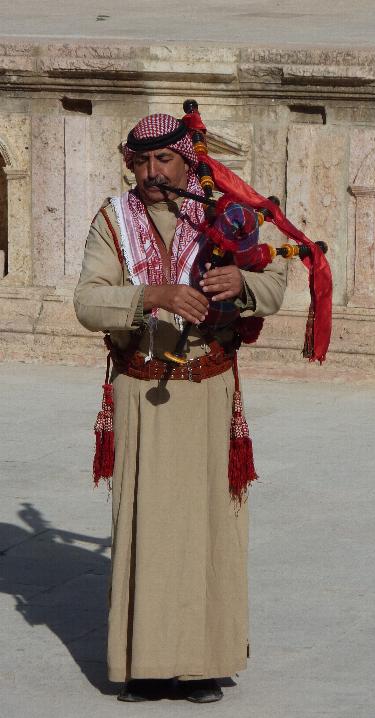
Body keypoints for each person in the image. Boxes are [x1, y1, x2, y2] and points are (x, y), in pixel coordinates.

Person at [74, 111, 286, 703]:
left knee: (207, 526)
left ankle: (201, 664)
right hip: (141, 392)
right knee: (145, 525)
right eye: (140, 162)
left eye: (162, 160)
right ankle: (145, 665)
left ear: (187, 160)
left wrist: (238, 285)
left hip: (208, 391)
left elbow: (275, 283)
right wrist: (150, 296)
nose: (150, 172)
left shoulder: (229, 214)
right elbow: (88, 301)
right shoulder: (112, 220)